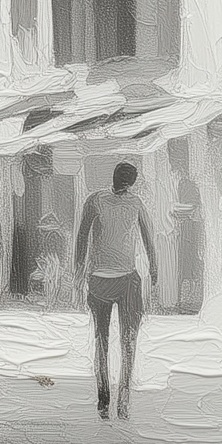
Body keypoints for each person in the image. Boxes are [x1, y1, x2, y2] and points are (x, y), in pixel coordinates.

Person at [74, 161, 160, 420]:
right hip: (121, 281)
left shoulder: (98, 200)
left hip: (105, 279)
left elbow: (82, 238)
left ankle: (108, 400)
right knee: (124, 341)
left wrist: (79, 272)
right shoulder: (131, 203)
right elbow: (149, 239)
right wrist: (154, 270)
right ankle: (118, 400)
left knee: (106, 340)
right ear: (130, 182)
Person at [169, 144, 205, 315]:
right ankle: (183, 300)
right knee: (181, 266)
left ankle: (189, 301)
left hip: (189, 230)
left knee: (188, 265)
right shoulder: (178, 183)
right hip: (181, 230)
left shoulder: (188, 184)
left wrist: (174, 210)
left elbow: (192, 207)